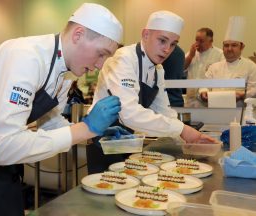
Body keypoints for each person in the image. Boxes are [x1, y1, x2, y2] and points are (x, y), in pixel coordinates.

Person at [0, 3, 127, 216]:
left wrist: (92, 135)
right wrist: (85, 128)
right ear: (78, 34)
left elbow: (53, 123)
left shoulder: (65, 74)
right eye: (101, 54)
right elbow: (3, 148)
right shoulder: (25, 57)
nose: (101, 65)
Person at [86, 10, 215, 174]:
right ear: (145, 34)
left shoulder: (158, 70)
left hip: (127, 141)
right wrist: (183, 130)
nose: (167, 49)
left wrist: (188, 139)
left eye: (173, 44)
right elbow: (129, 113)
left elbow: (164, 110)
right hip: (104, 141)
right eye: (162, 40)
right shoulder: (123, 58)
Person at [199, 16, 256, 106]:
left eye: (234, 45)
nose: (229, 49)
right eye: (226, 45)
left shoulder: (251, 66)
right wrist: (203, 92)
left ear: (242, 47)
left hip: (240, 114)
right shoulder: (214, 67)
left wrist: (242, 95)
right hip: (215, 112)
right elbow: (204, 84)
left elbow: (254, 90)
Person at [184, 28, 224, 107]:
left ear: (210, 41)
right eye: (196, 40)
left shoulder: (220, 54)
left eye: (201, 41)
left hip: (208, 100)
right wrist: (190, 56)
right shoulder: (191, 53)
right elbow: (182, 68)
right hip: (191, 98)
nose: (197, 44)